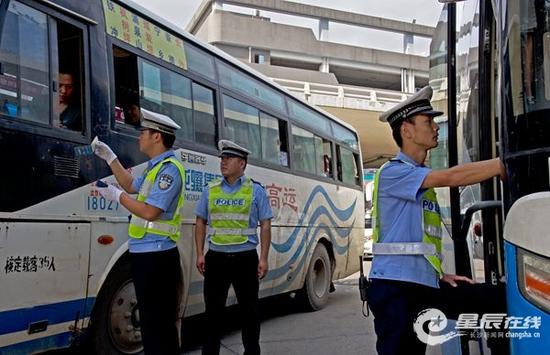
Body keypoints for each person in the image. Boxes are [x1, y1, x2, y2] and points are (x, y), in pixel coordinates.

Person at [367, 86, 507, 355]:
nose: (435, 126)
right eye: (428, 121)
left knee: (496, 298)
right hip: (395, 288)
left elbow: (415, 239)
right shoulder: (394, 173)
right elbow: (452, 177)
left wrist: (439, 274)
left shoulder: (419, 177)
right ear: (406, 131)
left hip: (422, 283)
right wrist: (501, 165)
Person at [91, 108, 185, 355]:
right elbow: (131, 185)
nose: (139, 136)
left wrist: (117, 196)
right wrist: (110, 158)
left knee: (159, 327)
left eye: (144, 132)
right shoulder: (154, 168)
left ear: (157, 137)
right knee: (152, 326)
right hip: (146, 255)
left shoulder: (169, 170)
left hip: (158, 257)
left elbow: (150, 211)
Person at [194, 140, 272, 355]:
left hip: (246, 259)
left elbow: (265, 224)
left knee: (249, 313)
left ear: (242, 164)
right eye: (222, 158)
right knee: (213, 313)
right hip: (216, 258)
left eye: (229, 158)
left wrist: (263, 258)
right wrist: (200, 253)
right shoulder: (210, 190)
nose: (223, 162)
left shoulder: (256, 191)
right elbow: (200, 220)